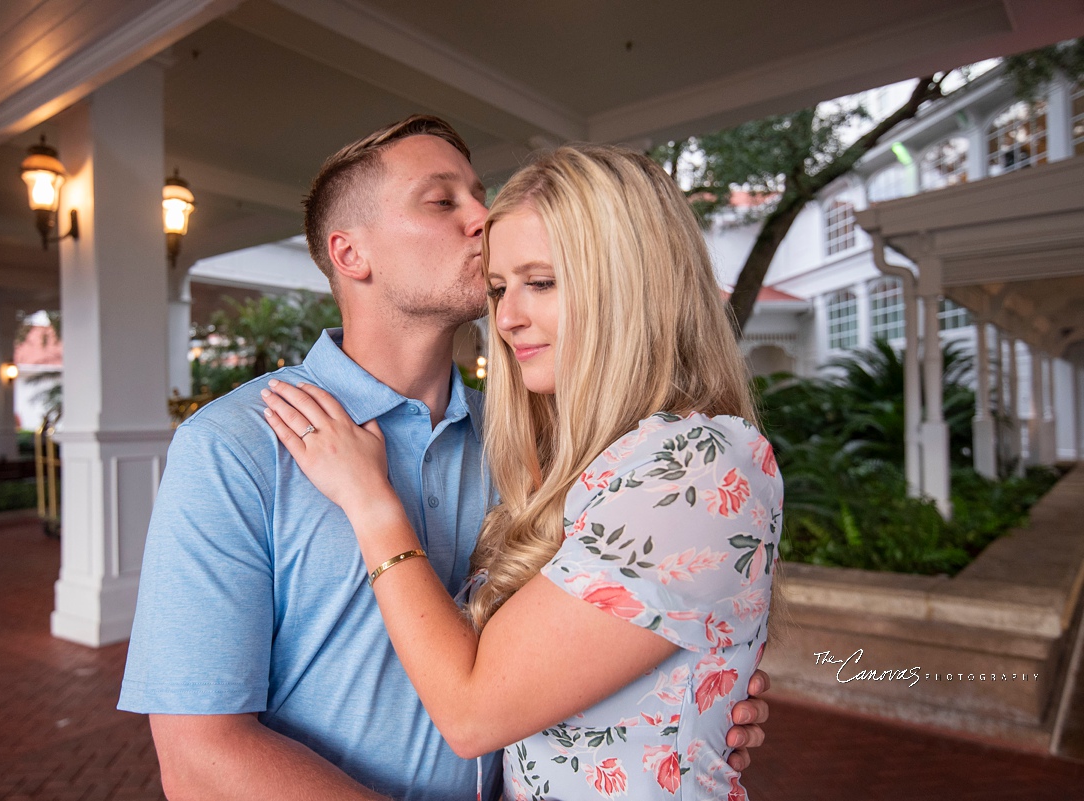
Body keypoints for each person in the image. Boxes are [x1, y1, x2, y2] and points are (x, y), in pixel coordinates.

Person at [119, 117, 769, 800]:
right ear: (351, 254)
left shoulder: (536, 438)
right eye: (442, 200)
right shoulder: (236, 444)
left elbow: (592, 642)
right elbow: (199, 759)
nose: (481, 217)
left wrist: (688, 694)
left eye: (479, 194)